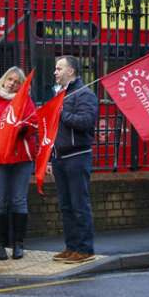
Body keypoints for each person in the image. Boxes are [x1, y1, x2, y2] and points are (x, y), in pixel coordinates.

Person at [0, 66, 37, 260]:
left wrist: (22, 129)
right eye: (9, 79)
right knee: (0, 201)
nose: (12, 83)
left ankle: (18, 244)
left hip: (21, 158)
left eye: (17, 82)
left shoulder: (26, 102)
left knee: (19, 200)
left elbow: (33, 123)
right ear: (3, 80)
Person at [51, 55, 98, 264]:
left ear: (71, 71)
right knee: (66, 206)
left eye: (59, 68)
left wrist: (62, 114)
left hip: (78, 156)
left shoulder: (84, 94)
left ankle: (85, 249)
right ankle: (71, 247)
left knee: (79, 205)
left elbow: (86, 122)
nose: (55, 72)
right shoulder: (60, 94)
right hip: (61, 157)